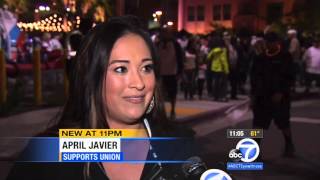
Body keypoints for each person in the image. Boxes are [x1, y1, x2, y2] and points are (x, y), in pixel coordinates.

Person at [7, 16, 202, 180]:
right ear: (93, 78)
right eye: (120, 69)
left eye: (146, 68)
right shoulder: (50, 153)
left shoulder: (180, 148)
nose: (139, 83)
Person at [250, 32, 295, 157]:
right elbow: (254, 77)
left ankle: (289, 144)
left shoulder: (285, 57)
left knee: (283, 122)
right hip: (262, 96)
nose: (269, 44)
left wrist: (281, 91)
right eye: (267, 42)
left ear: (277, 42)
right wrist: (253, 96)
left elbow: (289, 77)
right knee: (258, 124)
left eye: (272, 42)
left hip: (280, 97)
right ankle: (254, 150)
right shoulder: (260, 58)